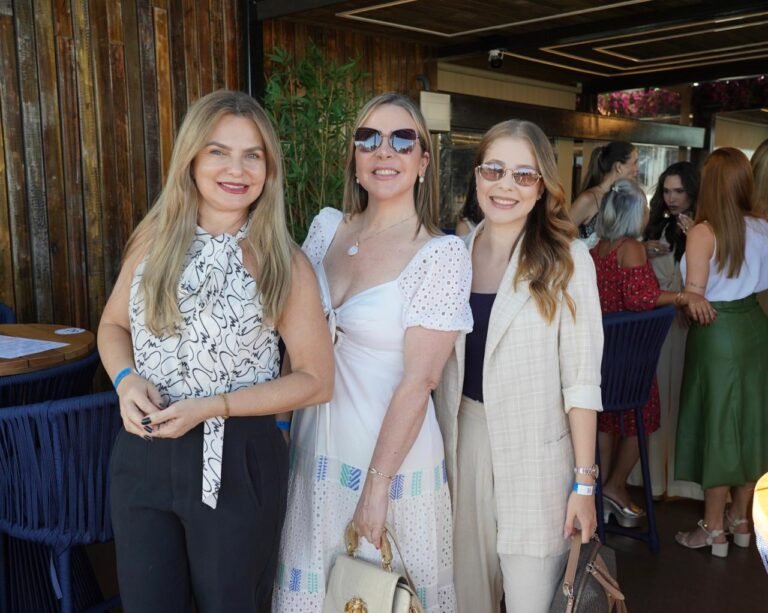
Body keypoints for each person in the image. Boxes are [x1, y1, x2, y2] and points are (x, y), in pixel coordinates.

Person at [98, 90, 334, 612]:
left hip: (238, 460)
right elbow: (112, 325)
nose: (237, 168)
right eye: (219, 151)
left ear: (269, 168)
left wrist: (214, 406)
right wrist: (124, 380)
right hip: (145, 453)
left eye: (253, 154)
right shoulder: (152, 242)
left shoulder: (283, 262)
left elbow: (317, 379)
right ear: (192, 159)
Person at [273, 93, 472, 612]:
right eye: (369, 139)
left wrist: (376, 488)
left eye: (403, 139)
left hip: (390, 461)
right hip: (314, 447)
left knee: (382, 599)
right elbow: (293, 342)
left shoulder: (440, 254)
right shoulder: (325, 229)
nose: (385, 151)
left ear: (424, 161)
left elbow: (420, 381)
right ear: (356, 160)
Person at [434, 119, 602, 613]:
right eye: (495, 170)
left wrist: (584, 483)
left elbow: (582, 382)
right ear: (477, 176)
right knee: (468, 600)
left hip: (538, 461)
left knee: (533, 601)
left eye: (523, 175)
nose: (506, 185)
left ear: (542, 186)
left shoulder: (568, 260)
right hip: (462, 443)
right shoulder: (451, 254)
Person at [590, 179, 715, 526]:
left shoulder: (599, 248)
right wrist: (680, 297)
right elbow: (640, 298)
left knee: (606, 421)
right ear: (633, 214)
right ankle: (615, 486)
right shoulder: (631, 248)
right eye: (645, 207)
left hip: (604, 357)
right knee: (643, 415)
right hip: (631, 358)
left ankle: (601, 492)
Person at [675, 147, 768, 558]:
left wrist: (686, 298)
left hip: (716, 330)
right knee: (750, 423)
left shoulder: (703, 231)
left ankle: (713, 530)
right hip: (753, 327)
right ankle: (742, 520)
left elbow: (695, 296)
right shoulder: (763, 227)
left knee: (717, 425)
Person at [635, 161, 703, 500]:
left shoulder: (704, 227)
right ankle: (652, 477)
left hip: (689, 320)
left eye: (679, 191)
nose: (672, 198)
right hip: (658, 319)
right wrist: (642, 249)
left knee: (683, 395)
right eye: (666, 191)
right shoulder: (651, 225)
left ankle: (680, 480)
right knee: (657, 394)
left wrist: (697, 240)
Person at [571, 141, 638, 247]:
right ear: (619, 167)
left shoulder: (624, 199)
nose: (637, 169)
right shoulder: (588, 199)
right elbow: (558, 236)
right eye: (635, 162)